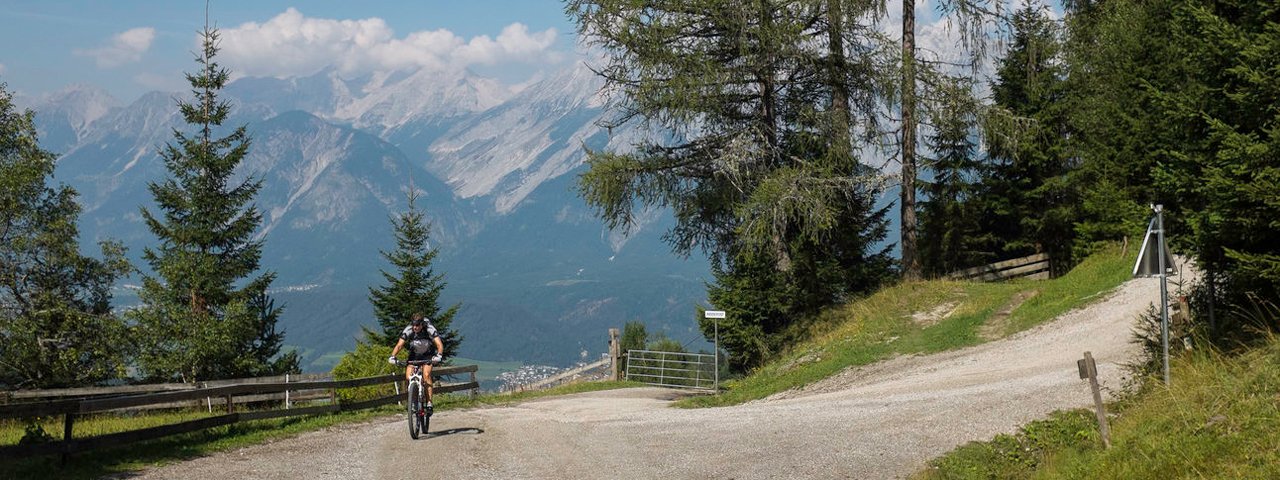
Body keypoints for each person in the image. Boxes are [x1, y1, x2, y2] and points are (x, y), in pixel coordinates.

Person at [388, 313, 444, 412]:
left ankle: (429, 402)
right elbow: (399, 345)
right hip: (414, 355)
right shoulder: (408, 330)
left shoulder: (429, 329)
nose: (415, 327)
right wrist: (393, 356)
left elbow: (439, 344)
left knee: (426, 375)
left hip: (428, 355)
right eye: (413, 325)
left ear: (422, 324)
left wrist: (439, 355)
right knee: (408, 377)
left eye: (417, 325)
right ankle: (413, 402)